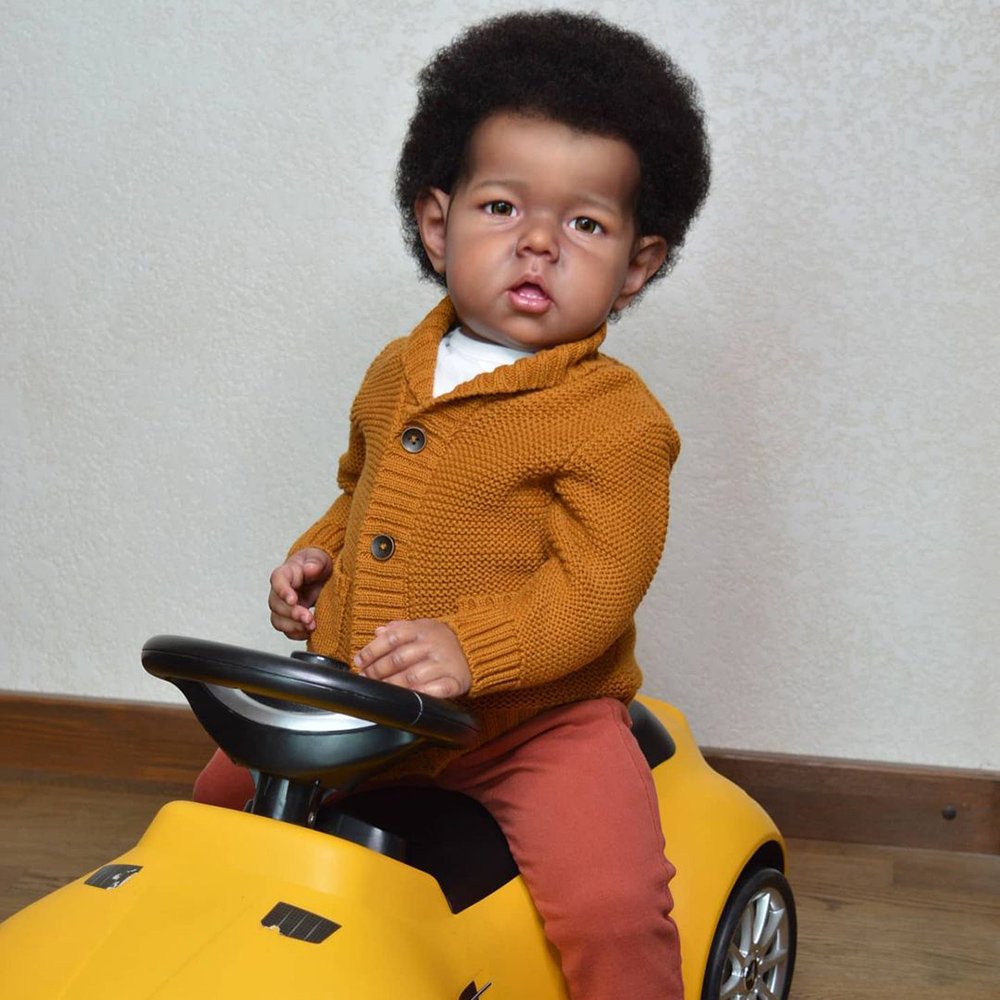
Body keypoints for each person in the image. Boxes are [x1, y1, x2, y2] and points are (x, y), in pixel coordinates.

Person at [194, 10, 710, 999]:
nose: (539, 244)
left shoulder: (617, 421)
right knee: (219, 802)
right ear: (439, 225)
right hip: (368, 701)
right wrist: (316, 561)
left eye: (586, 224)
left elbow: (597, 586)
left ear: (637, 265)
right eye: (503, 207)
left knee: (611, 904)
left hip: (534, 728)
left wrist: (475, 649)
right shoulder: (397, 370)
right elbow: (361, 494)